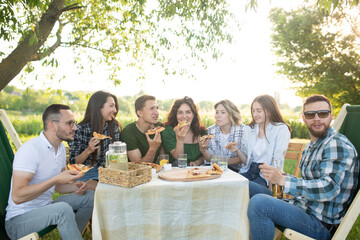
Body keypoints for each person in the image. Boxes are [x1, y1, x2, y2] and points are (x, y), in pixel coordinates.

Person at [247, 95, 359, 240]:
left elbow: (329, 188)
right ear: (303, 118)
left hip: (319, 223)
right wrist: (283, 177)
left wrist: (284, 181)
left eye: (322, 114)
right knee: (246, 186)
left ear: (331, 117)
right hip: (302, 207)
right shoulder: (312, 146)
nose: (317, 118)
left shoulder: (336, 144)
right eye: (310, 114)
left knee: (260, 203)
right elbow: (309, 184)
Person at [5, 104, 94, 240]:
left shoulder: (61, 149)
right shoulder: (31, 150)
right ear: (52, 124)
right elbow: (17, 197)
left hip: (46, 208)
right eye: (70, 123)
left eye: (74, 123)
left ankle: (72, 235)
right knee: (62, 209)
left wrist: (77, 185)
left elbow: (59, 186)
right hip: (18, 221)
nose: (75, 128)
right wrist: (55, 179)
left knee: (90, 196)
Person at [68, 91, 121, 190]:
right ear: (98, 107)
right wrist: (88, 150)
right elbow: (73, 163)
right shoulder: (80, 130)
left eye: (115, 106)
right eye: (111, 106)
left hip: (107, 171)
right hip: (86, 172)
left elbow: (116, 154)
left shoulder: (113, 126)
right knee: (104, 190)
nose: (115, 110)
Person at [236, 95, 291, 187]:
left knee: (244, 187)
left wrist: (272, 187)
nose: (255, 114)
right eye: (253, 111)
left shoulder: (280, 129)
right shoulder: (249, 129)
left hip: (265, 174)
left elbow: (277, 159)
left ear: (269, 110)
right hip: (249, 170)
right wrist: (236, 149)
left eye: (259, 111)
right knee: (231, 184)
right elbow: (246, 159)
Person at [199, 100, 247, 172]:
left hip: (236, 171)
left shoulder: (243, 130)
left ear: (231, 114)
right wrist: (203, 150)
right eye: (217, 112)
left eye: (223, 112)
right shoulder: (210, 131)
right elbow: (209, 159)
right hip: (215, 169)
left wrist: (222, 162)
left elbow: (244, 157)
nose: (218, 116)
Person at [162, 96, 207, 166]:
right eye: (180, 112)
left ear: (193, 114)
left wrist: (197, 162)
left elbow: (204, 154)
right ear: (175, 115)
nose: (184, 116)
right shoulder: (168, 131)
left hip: (196, 171)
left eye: (188, 112)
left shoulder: (202, 132)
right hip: (175, 171)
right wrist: (180, 139)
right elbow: (177, 157)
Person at [121, 95, 162, 163]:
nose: (157, 112)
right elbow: (139, 166)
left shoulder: (160, 128)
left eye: (157, 108)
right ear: (140, 113)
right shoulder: (128, 132)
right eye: (152, 108)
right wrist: (153, 148)